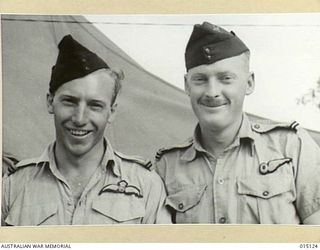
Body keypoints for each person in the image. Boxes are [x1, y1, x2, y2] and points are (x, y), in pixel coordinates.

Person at [155, 22, 320, 224]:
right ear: (186, 85)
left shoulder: (292, 147)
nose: (212, 92)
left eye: (225, 78)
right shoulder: (166, 166)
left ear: (249, 83)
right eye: (200, 79)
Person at [2, 34, 171, 226]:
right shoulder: (11, 188)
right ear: (50, 102)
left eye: (95, 105)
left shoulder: (147, 186)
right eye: (69, 101)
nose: (80, 118)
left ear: (112, 111)